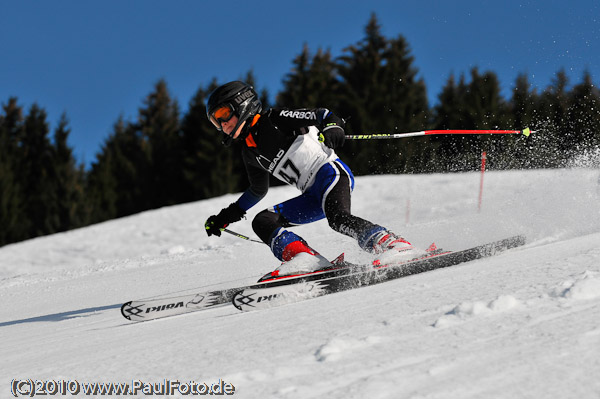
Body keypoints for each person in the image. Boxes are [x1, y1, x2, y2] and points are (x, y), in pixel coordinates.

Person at [204, 81, 417, 274]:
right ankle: (307, 260)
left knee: (338, 218)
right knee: (263, 221)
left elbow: (323, 114)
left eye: (223, 114)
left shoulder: (274, 120)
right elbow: (258, 190)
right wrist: (226, 216)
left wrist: (333, 126)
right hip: (312, 196)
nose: (222, 124)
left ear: (242, 104)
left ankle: (393, 245)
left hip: (329, 173)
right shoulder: (250, 153)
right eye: (215, 121)